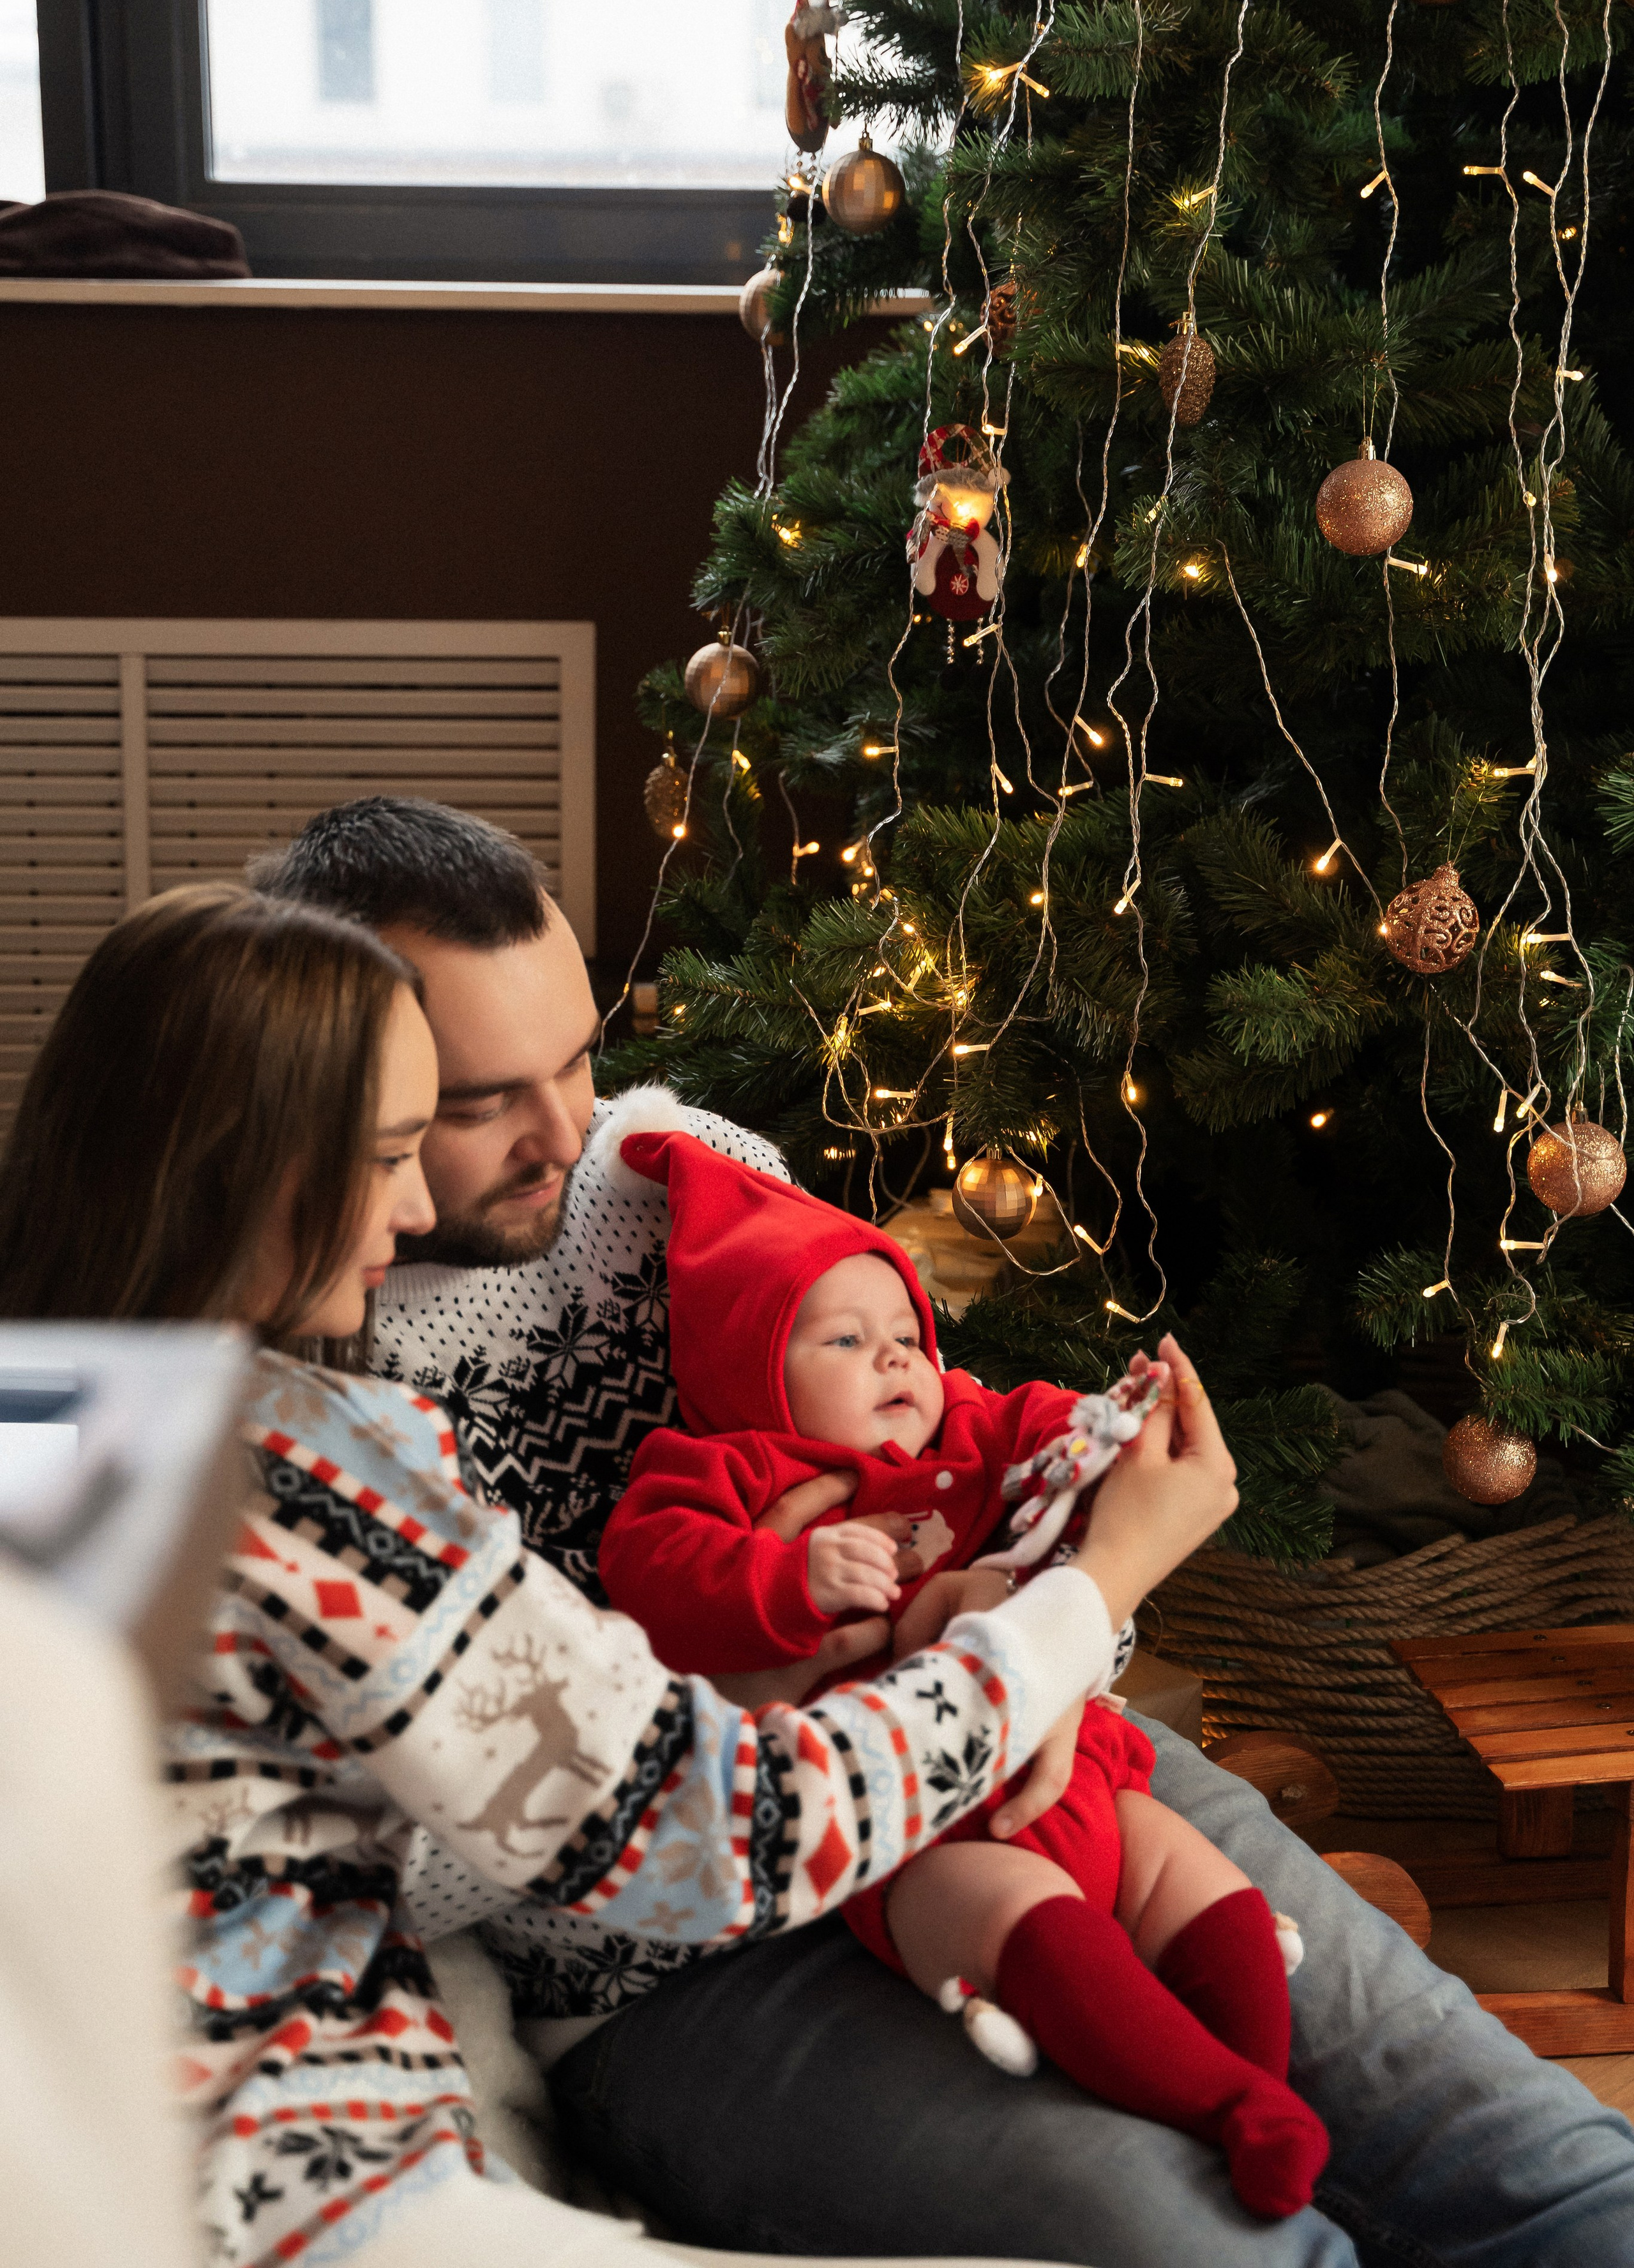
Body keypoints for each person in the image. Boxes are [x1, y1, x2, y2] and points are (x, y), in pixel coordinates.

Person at [253, 796, 1634, 2268]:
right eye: (480, 1103)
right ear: (343, 1080)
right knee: (1204, 2242)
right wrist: (814, 1689)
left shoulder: (674, 1169)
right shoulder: (296, 1376)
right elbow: (400, 1842)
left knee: (1535, 2168)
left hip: (1028, 1771)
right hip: (691, 1967)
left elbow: (939, 1445)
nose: (569, 1130)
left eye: (582, 1055)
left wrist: (1050, 1617)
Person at [0, 881, 1231, 2268]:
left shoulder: (40, 1413)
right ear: (244, 1163)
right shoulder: (287, 1470)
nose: (411, 1207)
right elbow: (718, 1837)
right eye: (393, 1147)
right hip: (299, 2193)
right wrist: (1092, 1590)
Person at [596, 1124, 1326, 2220]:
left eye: (906, 1334)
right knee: (1019, 1918)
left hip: (1072, 1764)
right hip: (911, 1819)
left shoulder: (960, 1434)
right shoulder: (735, 1466)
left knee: (1196, 1879)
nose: (896, 1359)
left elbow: (1032, 1429)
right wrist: (784, 1575)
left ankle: (1264, 2089)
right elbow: (653, 1564)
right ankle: (1218, 2106)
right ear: (749, 1373)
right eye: (843, 1342)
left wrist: (1110, 1420)